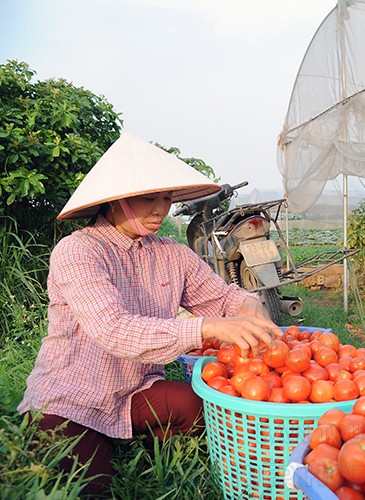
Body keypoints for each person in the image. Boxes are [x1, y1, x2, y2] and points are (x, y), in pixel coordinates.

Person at [17, 132, 281, 497]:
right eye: (148, 198)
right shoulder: (77, 251)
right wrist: (208, 328)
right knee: (95, 487)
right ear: (116, 201)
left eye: (166, 198)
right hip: (70, 398)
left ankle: (128, 436)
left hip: (134, 392)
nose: (161, 209)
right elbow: (114, 330)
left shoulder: (170, 253)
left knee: (199, 408)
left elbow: (221, 297)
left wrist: (246, 306)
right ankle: (100, 443)